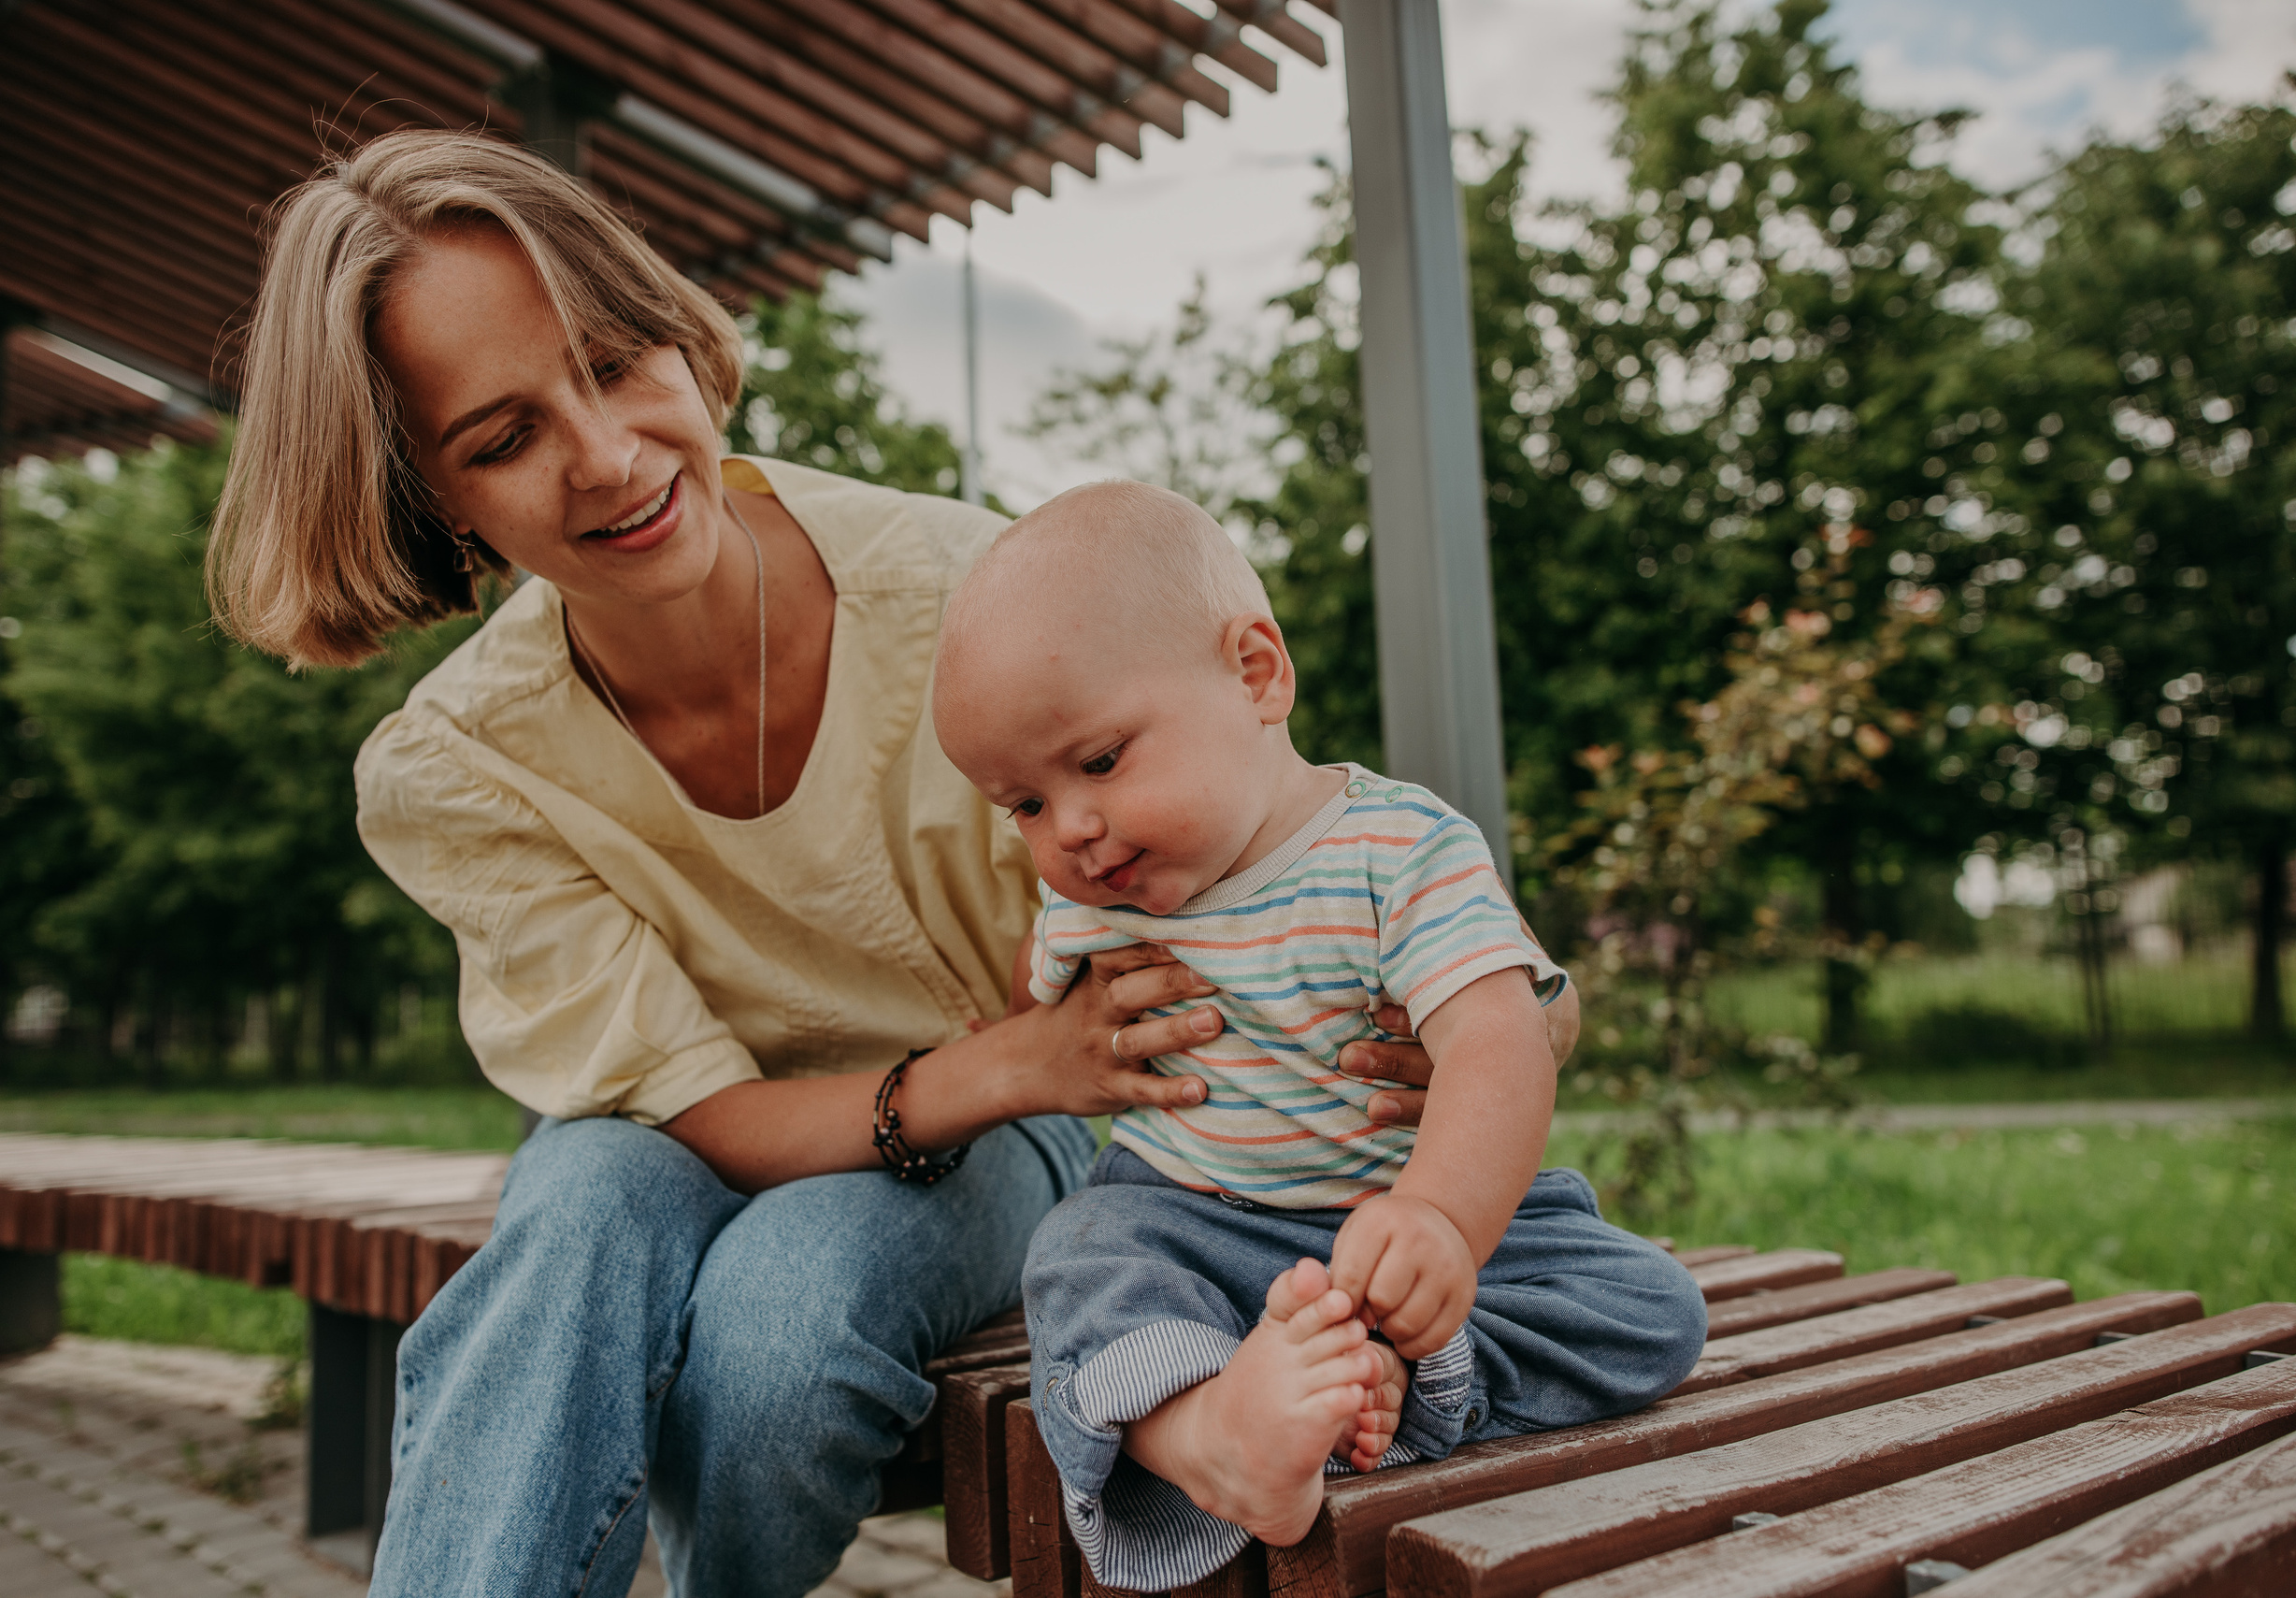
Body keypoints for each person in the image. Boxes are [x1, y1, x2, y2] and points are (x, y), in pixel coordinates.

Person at [204, 128, 1462, 1598]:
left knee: (778, 1335)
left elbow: (1287, 849)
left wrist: (1433, 1021)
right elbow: (686, 1110)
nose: (605, 456)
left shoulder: (975, 601)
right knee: (582, 1202)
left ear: (678, 335)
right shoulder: (459, 764)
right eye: (502, 439)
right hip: (717, 1134)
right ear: (433, 501)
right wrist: (1003, 1057)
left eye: (614, 363)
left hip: (1019, 1128)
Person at [929, 481, 1711, 1591]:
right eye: (1024, 805)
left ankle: (1409, 1373)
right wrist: (1034, 1014)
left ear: (1256, 673)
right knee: (1079, 1253)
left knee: (1647, 1305)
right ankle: (1213, 1431)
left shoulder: (1396, 851)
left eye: (1098, 762)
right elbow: (1040, 1002)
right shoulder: (1096, 896)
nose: (1073, 831)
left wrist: (1440, 1217)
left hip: (1403, 1219)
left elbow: (1498, 1036)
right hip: (1192, 1218)